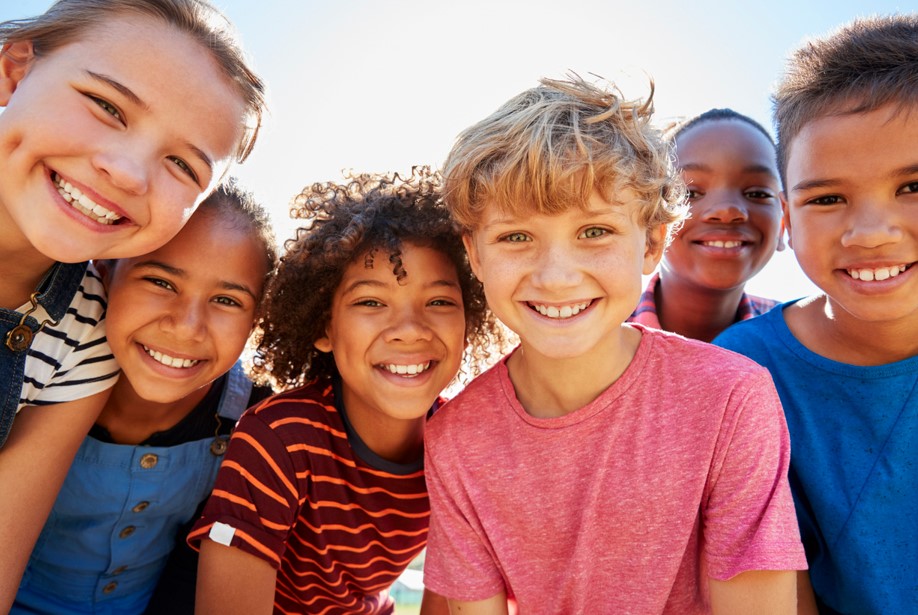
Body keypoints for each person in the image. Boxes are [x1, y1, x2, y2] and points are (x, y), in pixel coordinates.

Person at [422, 74, 807, 614]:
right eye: (516, 237)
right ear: (476, 254)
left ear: (651, 243)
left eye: (594, 232)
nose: (556, 277)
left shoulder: (731, 398)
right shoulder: (455, 438)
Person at [0, 0, 266, 607]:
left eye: (182, 164)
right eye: (106, 105)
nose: (126, 172)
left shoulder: (85, 336)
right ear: (15, 69)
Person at [189, 168, 503, 614]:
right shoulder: (280, 438)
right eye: (371, 302)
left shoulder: (461, 446)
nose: (409, 330)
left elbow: (449, 597)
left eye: (439, 302)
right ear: (325, 327)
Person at [713, 15, 918, 614]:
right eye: (827, 198)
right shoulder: (744, 375)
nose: (872, 233)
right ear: (786, 217)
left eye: (913, 186)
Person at [10, 181, 275, 614]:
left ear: (257, 319)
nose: (187, 327)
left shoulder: (256, 419)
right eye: (160, 281)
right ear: (104, 271)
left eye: (226, 300)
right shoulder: (36, 367)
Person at [629, 108, 784, 341]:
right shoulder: (593, 337)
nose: (727, 210)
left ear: (784, 223)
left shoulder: (805, 343)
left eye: (757, 193)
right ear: (651, 221)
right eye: (690, 193)